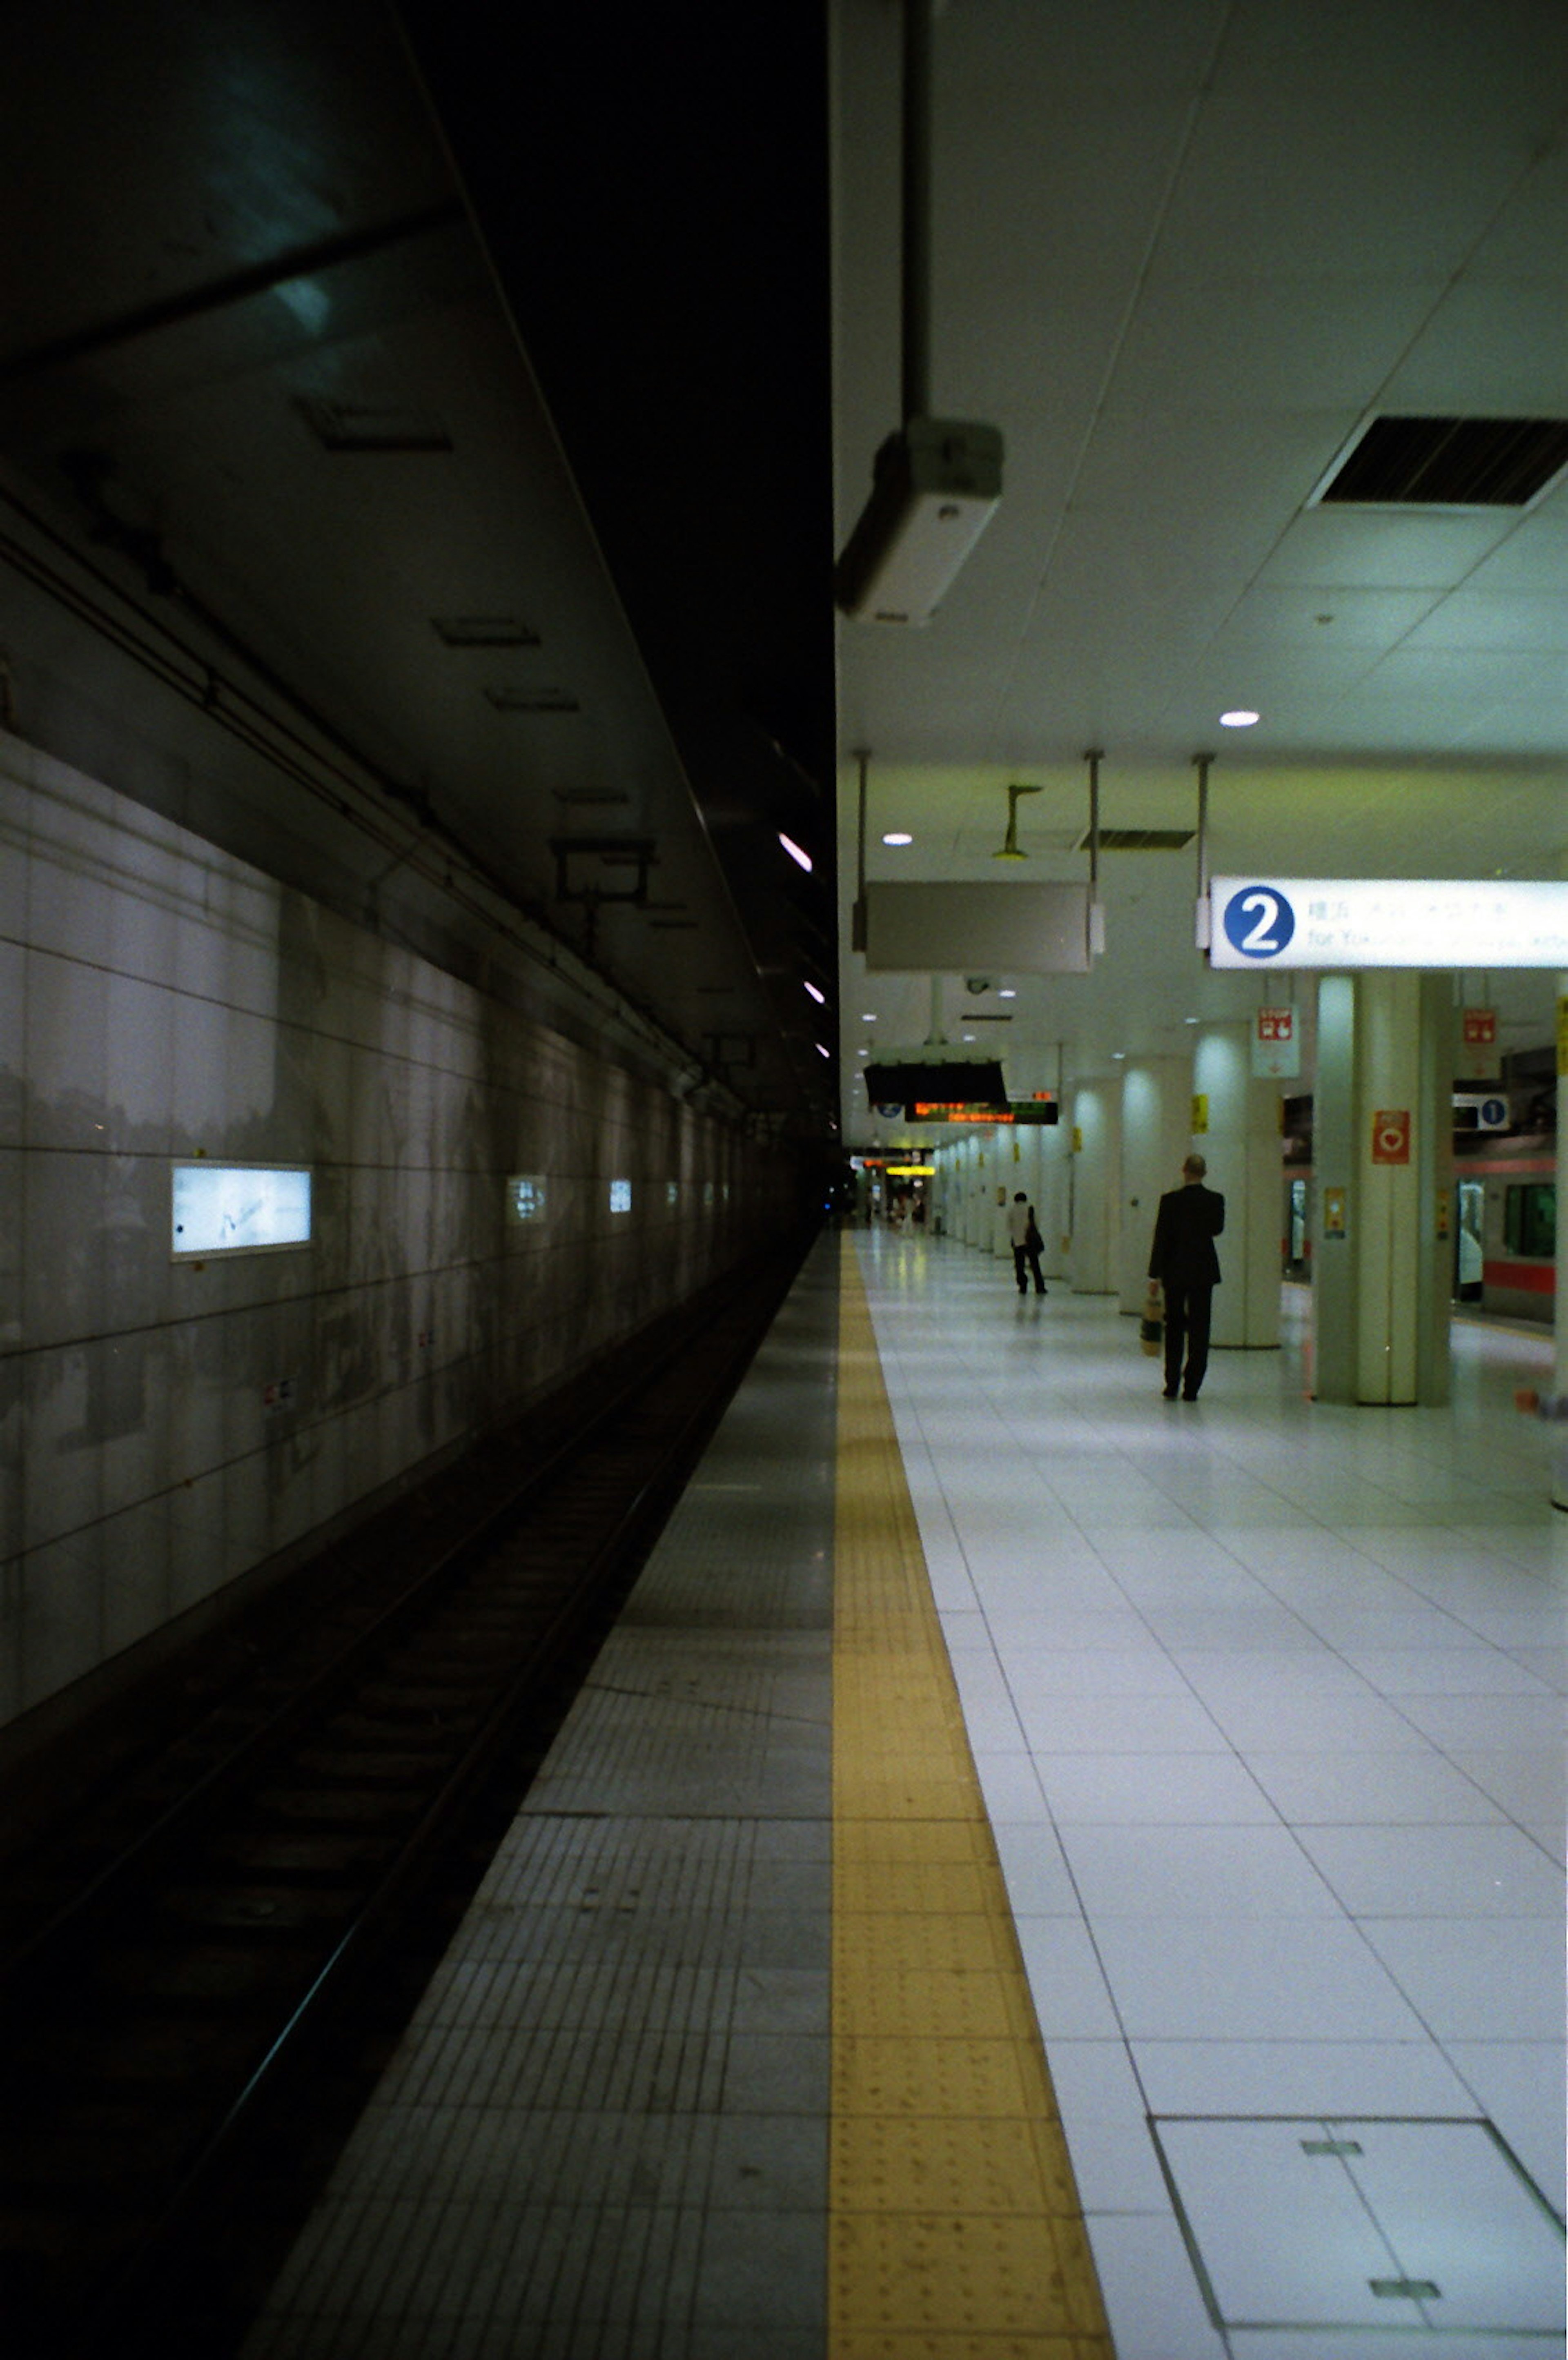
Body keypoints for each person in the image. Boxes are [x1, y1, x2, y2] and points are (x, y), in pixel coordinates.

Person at [1147, 1152, 1225, 1400]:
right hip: (1203, 1271)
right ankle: (1192, 1387)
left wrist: (1154, 1275)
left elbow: (1161, 1238)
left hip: (1175, 1270)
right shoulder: (1215, 1200)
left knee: (1175, 1326)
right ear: (1204, 1173)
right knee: (1201, 1329)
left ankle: (1171, 1383)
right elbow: (1217, 1229)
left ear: (1184, 1171)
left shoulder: (1170, 1201)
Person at [1006, 1191, 1047, 1295]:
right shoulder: (1031, 1208)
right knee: (1035, 1265)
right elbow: (1037, 1224)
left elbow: (1008, 1226)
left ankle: (1023, 1286)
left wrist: (1016, 1233)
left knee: (1019, 1265)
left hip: (1018, 1241)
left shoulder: (1012, 1210)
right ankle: (1040, 1287)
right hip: (1030, 1241)